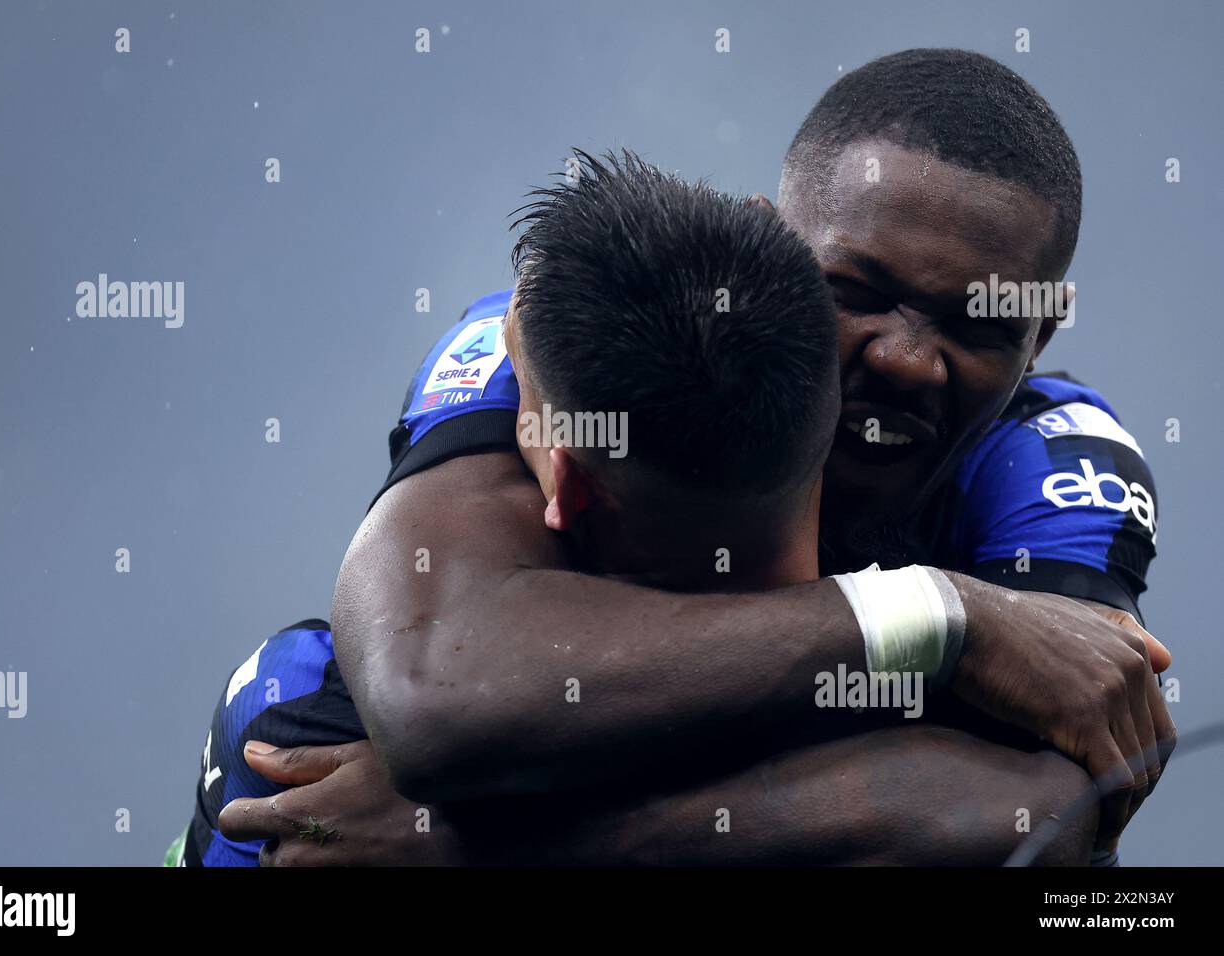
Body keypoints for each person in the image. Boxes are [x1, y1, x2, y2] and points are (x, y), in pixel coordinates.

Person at [186, 49, 1174, 867]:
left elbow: (1042, 826)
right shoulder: (575, 348)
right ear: (766, 243)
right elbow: (439, 690)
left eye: (975, 324)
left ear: (1039, 340)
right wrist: (946, 618)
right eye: (855, 288)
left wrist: (488, 851)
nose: (908, 359)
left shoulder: (1052, 461)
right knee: (293, 692)